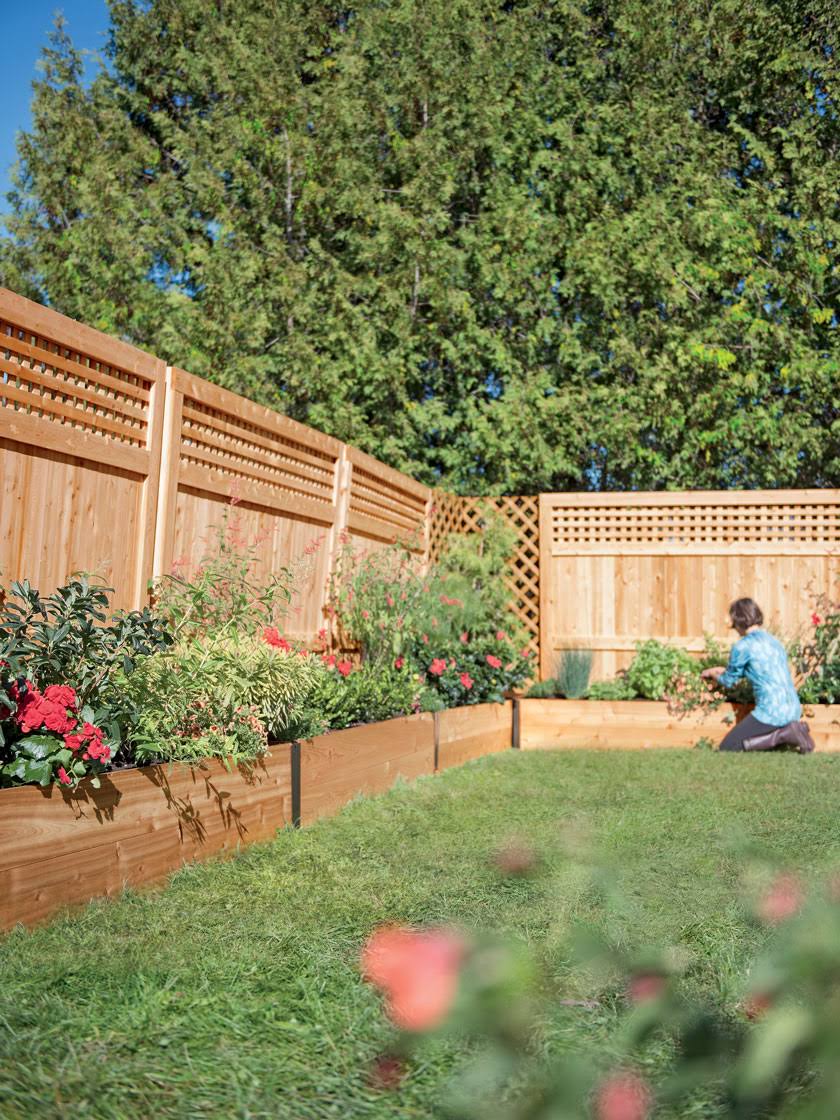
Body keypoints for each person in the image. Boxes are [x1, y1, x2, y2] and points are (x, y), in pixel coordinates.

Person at [700, 597, 814, 753]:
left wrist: (712, 673)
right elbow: (761, 671)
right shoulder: (775, 642)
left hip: (771, 712)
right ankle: (793, 730)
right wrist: (724, 669)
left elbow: (729, 681)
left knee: (728, 747)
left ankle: (785, 735)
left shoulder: (743, 646)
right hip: (793, 708)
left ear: (738, 621)